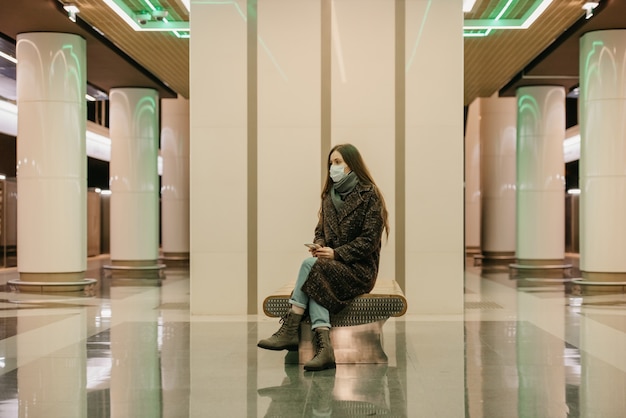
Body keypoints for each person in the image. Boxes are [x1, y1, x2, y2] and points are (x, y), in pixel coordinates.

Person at [257, 143, 389, 371]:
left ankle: (291, 328)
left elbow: (369, 241)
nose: (333, 167)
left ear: (352, 165)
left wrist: (336, 254)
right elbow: (320, 231)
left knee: (313, 268)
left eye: (338, 162)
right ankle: (324, 350)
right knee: (316, 271)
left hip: (359, 270)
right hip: (330, 267)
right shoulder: (329, 196)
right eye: (331, 163)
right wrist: (319, 246)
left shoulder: (370, 195)